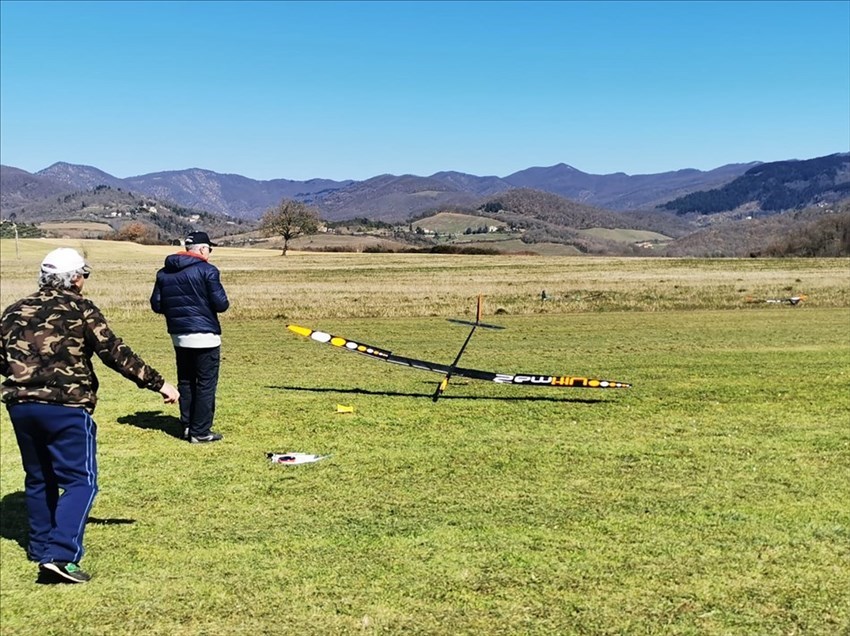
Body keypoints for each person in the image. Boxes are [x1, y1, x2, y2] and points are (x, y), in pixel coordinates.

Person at [0, 247, 180, 584]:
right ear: (75, 278)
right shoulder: (81, 308)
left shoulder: (13, 311)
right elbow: (113, 352)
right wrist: (159, 384)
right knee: (80, 482)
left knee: (39, 479)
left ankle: (39, 548)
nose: (84, 281)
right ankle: (60, 556)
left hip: (21, 407)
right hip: (67, 407)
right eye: (84, 274)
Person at [150, 231, 229, 444]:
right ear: (203, 249)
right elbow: (222, 304)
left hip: (178, 334)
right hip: (205, 335)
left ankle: (186, 425)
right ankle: (201, 431)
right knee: (205, 383)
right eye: (209, 249)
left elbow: (156, 305)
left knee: (186, 380)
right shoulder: (208, 270)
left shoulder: (163, 273)